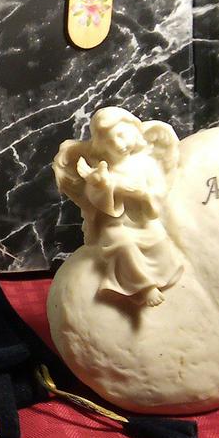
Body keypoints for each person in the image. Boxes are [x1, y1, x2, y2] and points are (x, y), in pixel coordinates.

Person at [53, 108, 184, 307]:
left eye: (122, 136)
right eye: (109, 141)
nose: (118, 144)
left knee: (159, 238)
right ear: (100, 144)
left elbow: (158, 191)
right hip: (115, 225)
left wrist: (142, 194)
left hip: (142, 221)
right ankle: (145, 286)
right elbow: (95, 202)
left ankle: (165, 277)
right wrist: (103, 185)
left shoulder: (145, 163)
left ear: (134, 132)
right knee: (123, 244)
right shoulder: (102, 168)